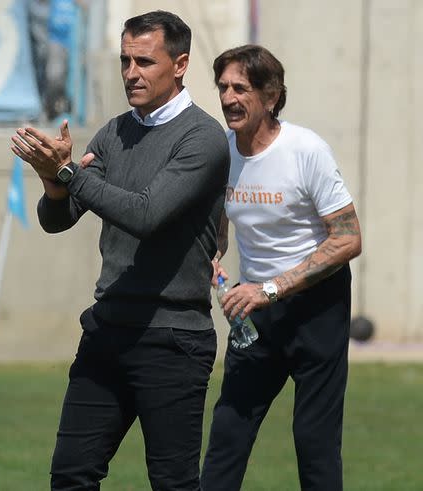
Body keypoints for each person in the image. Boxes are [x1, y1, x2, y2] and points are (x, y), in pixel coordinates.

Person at [11, 10, 229, 490]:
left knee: (173, 483)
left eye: (145, 61)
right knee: (70, 474)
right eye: (126, 60)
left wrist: (71, 174)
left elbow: (146, 215)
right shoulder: (115, 130)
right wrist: (53, 178)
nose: (131, 72)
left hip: (172, 337)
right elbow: (57, 219)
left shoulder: (204, 137)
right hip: (108, 328)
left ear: (180, 64)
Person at [200, 45, 362, 491]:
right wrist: (213, 258)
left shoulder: (306, 150)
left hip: (317, 309)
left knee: (315, 442)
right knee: (228, 434)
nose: (229, 98)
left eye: (241, 88)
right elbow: (220, 227)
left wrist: (270, 289)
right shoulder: (221, 153)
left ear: (271, 97)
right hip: (255, 312)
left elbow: (348, 238)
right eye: (223, 87)